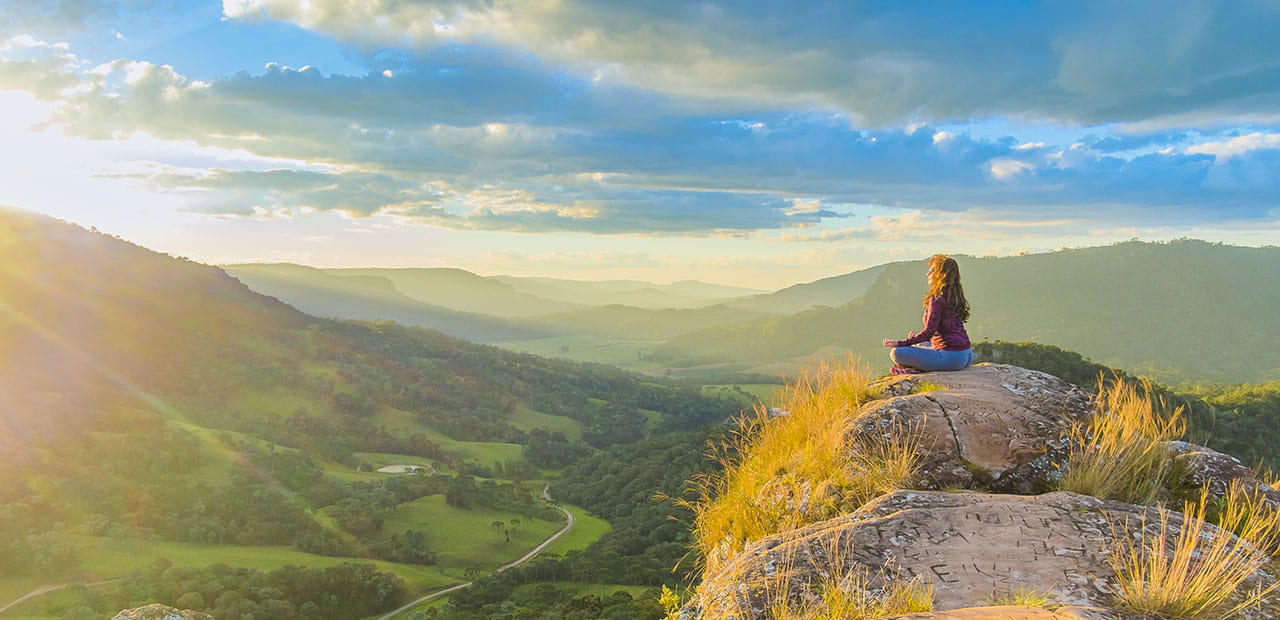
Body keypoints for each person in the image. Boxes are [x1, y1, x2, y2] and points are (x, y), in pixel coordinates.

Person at [881, 254, 972, 375]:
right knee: (922, 343)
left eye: (931, 270)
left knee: (896, 352)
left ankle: (915, 368)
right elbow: (939, 332)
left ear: (940, 274)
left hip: (951, 359)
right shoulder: (954, 295)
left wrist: (902, 342)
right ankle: (919, 364)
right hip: (967, 354)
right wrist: (914, 341)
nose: (927, 274)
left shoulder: (937, 298)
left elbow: (929, 331)